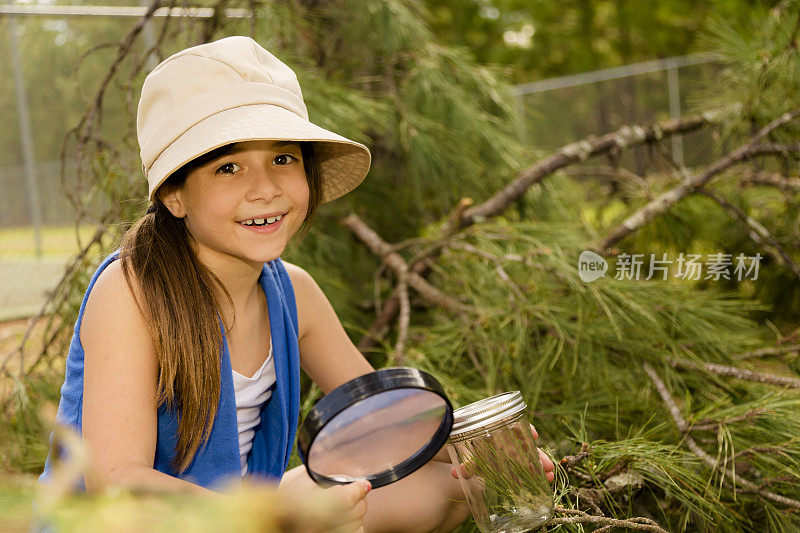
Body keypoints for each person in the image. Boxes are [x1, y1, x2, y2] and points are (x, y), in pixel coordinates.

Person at [37, 36, 554, 531]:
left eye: (283, 159)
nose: (264, 189)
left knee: (455, 488)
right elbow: (120, 484)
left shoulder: (294, 293)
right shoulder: (131, 294)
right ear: (174, 195)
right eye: (229, 167)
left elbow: (376, 421)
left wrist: (475, 445)